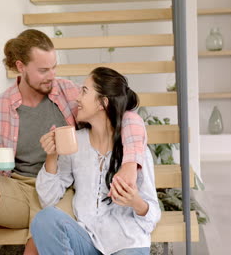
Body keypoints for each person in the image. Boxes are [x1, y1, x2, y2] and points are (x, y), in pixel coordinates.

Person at [0, 30, 146, 255]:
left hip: (63, 189)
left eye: (54, 67)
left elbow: (127, 117)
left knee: (43, 233)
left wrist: (130, 163)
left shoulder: (69, 93)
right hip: (17, 189)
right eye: (43, 70)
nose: (52, 75)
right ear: (21, 67)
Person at [32, 67, 161, 254]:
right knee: (44, 219)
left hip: (127, 243)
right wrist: (51, 156)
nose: (77, 98)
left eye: (84, 91)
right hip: (88, 240)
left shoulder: (135, 150)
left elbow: (151, 216)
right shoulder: (76, 143)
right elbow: (48, 198)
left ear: (103, 102)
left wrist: (135, 202)